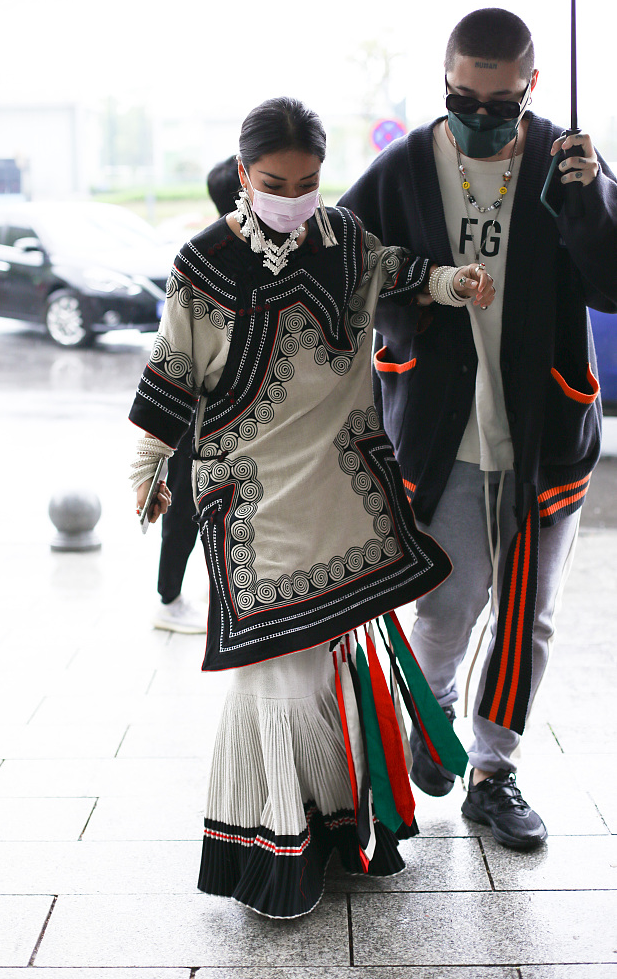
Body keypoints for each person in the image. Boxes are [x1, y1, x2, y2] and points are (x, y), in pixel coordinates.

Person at [128, 96, 492, 918]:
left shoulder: (341, 237)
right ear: (243, 172)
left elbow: (397, 270)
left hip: (337, 493)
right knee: (279, 675)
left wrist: (450, 282)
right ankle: (269, 859)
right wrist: (149, 467)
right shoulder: (204, 262)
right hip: (252, 498)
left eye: (308, 181)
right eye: (274, 182)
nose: (293, 197)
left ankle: (330, 835)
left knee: (320, 669)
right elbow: (171, 371)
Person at [340, 8, 617, 851]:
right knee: (446, 608)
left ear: (529, 87)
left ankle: (494, 775)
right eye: (462, 96)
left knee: (528, 618)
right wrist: (424, 286)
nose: (479, 114)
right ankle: (429, 728)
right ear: (446, 82)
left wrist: (587, 203)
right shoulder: (401, 171)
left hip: (542, 432)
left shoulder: (568, 164)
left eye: (498, 102)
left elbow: (607, 286)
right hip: (438, 433)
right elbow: (344, 274)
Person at [153, 157, 241, 633]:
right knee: (188, 510)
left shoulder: (212, 247)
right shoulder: (214, 255)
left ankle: (179, 597)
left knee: (194, 509)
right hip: (199, 412)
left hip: (199, 413)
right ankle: (168, 600)